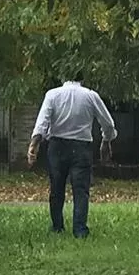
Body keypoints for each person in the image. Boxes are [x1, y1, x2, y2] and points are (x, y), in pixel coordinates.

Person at [27, 72, 117, 238]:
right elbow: (108, 123)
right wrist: (106, 141)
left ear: (62, 77)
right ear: (82, 78)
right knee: (81, 190)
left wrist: (34, 145)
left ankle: (57, 227)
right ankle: (80, 230)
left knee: (56, 188)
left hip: (57, 146)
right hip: (82, 147)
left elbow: (42, 123)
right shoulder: (91, 96)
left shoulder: (52, 95)